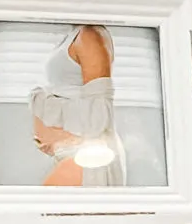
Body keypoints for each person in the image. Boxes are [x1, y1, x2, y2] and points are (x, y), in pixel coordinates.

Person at [30, 23, 126, 187]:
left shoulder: (89, 36)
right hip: (74, 153)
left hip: (86, 154)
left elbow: (100, 114)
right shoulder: (70, 35)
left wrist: (62, 140)